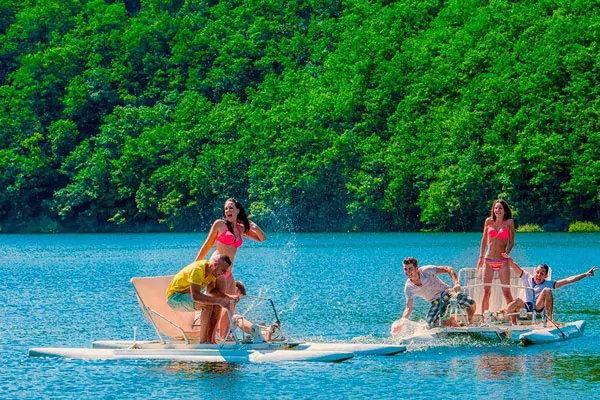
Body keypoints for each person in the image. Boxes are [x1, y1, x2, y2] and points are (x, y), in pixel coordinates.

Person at [195, 198, 266, 339]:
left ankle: (223, 338)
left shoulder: (240, 228)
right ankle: (210, 339)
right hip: (216, 268)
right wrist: (195, 264)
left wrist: (255, 227)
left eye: (231, 208)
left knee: (231, 303)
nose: (228, 211)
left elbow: (262, 238)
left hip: (228, 271)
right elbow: (207, 245)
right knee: (216, 303)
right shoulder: (219, 224)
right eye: (226, 208)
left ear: (238, 210)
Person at [502, 253, 597, 325]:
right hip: (526, 306)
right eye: (538, 272)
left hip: (537, 307)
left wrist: (585, 274)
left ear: (546, 276)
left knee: (547, 290)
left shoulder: (549, 283)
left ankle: (549, 321)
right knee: (517, 301)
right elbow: (515, 266)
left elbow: (568, 280)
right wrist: (508, 259)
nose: (539, 275)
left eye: (542, 273)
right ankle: (503, 319)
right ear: (534, 272)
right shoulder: (526, 276)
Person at [165, 255, 239, 343]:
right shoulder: (197, 270)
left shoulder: (212, 273)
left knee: (216, 305)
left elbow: (211, 291)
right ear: (215, 264)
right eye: (223, 270)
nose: (223, 274)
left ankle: (211, 340)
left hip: (186, 296)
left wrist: (227, 296)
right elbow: (195, 296)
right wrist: (219, 301)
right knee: (207, 305)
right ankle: (203, 341)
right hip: (175, 298)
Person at [394, 257, 476, 334]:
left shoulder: (426, 270)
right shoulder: (408, 287)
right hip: (436, 302)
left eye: (410, 269)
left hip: (447, 293)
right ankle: (451, 322)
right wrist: (402, 322)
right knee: (430, 323)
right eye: (405, 269)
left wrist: (456, 283)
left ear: (416, 268)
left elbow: (449, 269)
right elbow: (408, 308)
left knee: (471, 302)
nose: (408, 272)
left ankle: (470, 321)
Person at [477, 199, 516, 315]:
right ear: (493, 210)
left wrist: (507, 252)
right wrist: (481, 257)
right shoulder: (488, 222)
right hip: (488, 260)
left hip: (502, 261)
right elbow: (484, 241)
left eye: (500, 208)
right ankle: (484, 320)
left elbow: (512, 241)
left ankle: (513, 321)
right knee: (486, 292)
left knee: (506, 292)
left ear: (504, 210)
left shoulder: (509, 222)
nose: (498, 210)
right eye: (496, 208)